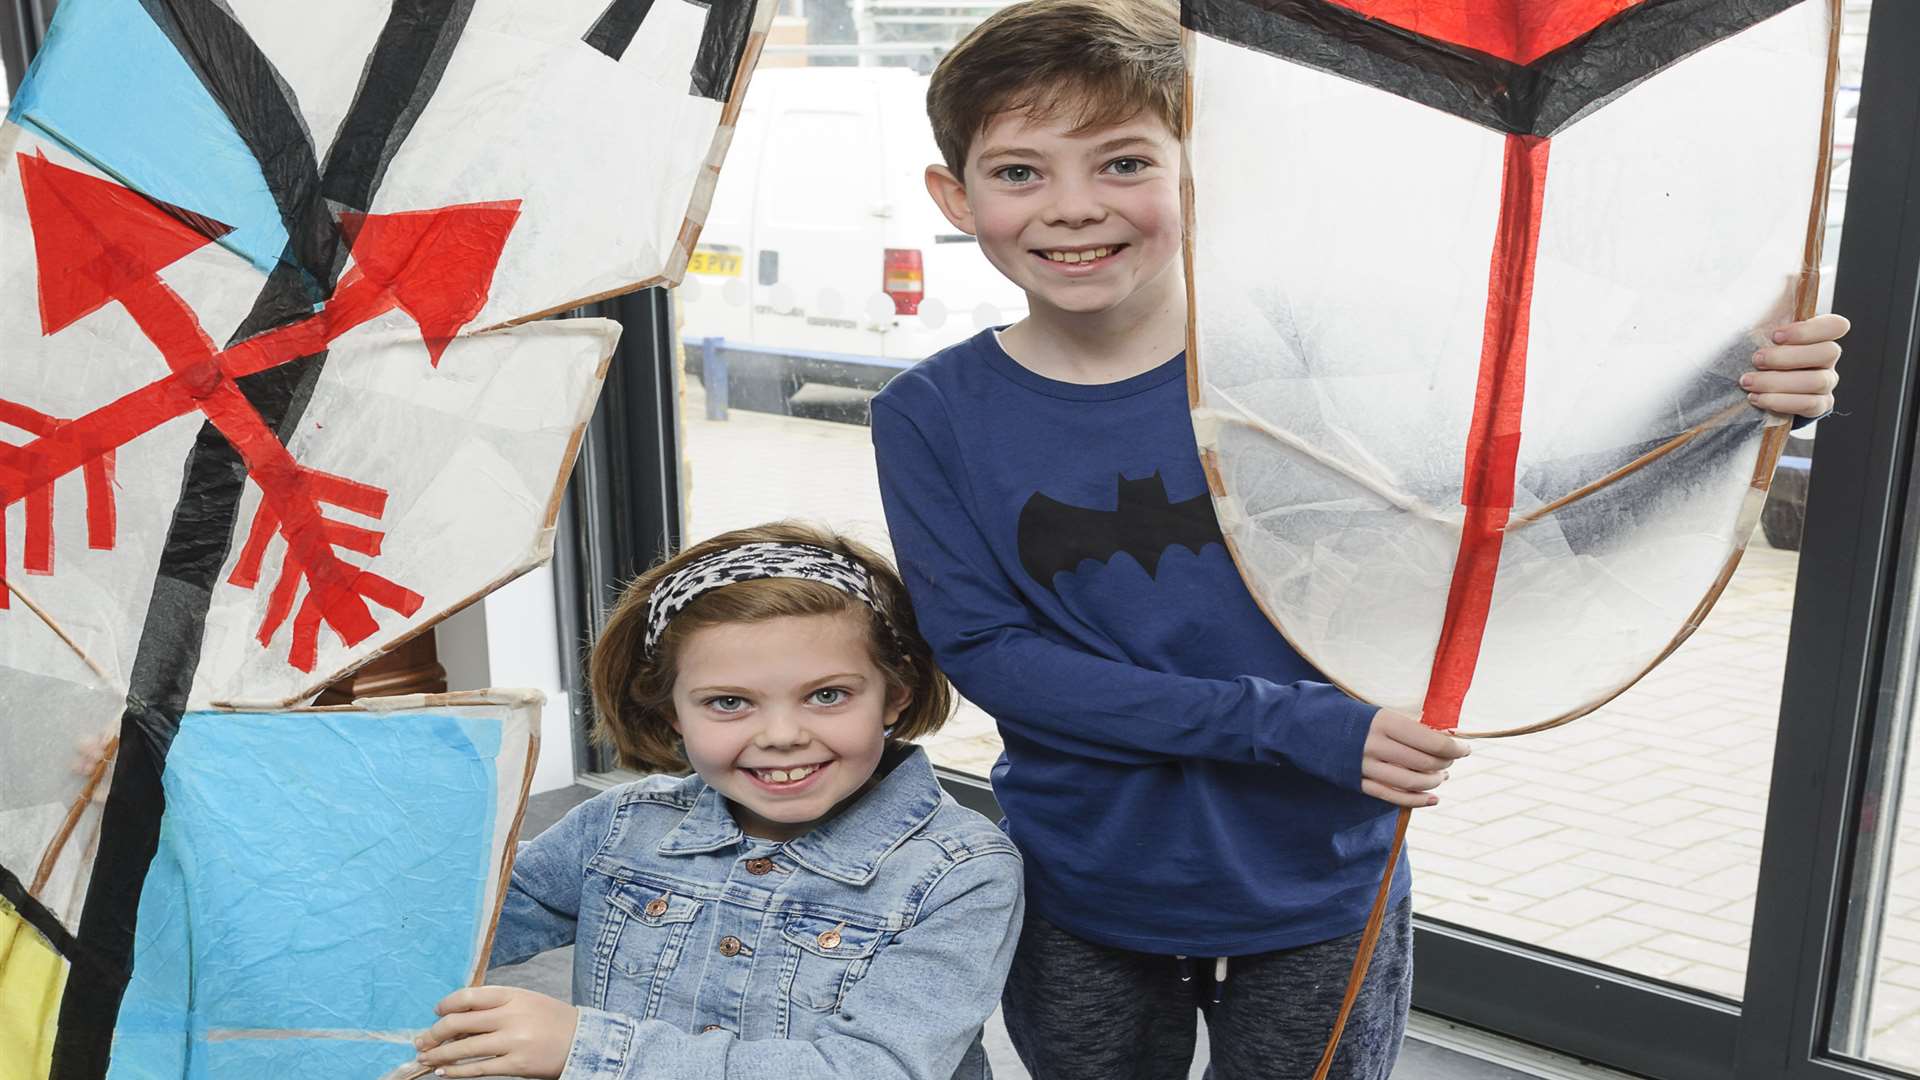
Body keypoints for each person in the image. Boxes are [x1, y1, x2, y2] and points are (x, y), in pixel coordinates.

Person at [869, 1, 1850, 1077]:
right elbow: (994, 658)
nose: (1072, 208)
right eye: (1020, 173)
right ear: (954, 197)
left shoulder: (1296, 355)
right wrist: (1299, 729)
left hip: (1321, 868)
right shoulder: (929, 413)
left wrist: (1733, 399)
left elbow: (1503, 511)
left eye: (1123, 162)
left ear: (1201, 176)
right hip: (1086, 876)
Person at [410, 522, 1024, 1080]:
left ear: (896, 694)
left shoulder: (965, 874)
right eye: (729, 702)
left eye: (828, 695)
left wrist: (586, 1049)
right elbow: (444, 928)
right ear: (669, 712)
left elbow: (876, 1068)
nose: (782, 735)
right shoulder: (620, 827)